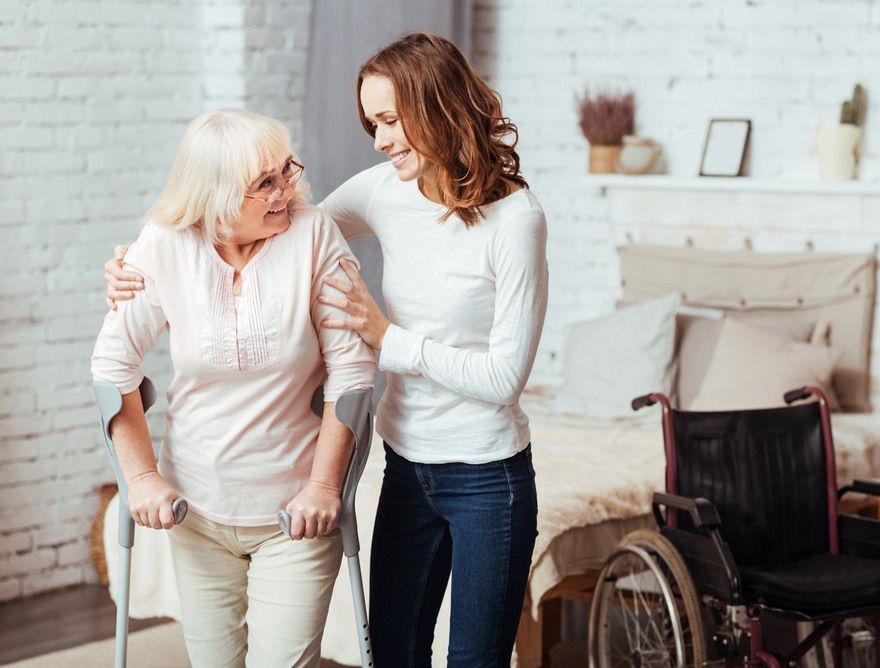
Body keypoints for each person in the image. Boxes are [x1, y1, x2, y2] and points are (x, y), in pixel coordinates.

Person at [105, 32, 548, 667]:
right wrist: (141, 264)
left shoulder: (517, 221)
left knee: (475, 660)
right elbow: (278, 226)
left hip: (487, 475)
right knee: (395, 654)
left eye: (391, 120)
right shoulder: (384, 189)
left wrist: (386, 338)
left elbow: (504, 377)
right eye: (373, 123)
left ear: (440, 107)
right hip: (407, 466)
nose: (380, 140)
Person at [93, 109, 375, 668]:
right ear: (215, 196)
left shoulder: (313, 234)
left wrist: (324, 487)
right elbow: (111, 366)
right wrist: (143, 478)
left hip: (294, 514)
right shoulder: (164, 245)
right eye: (264, 183)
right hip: (194, 509)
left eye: (286, 172)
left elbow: (352, 373)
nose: (286, 192)